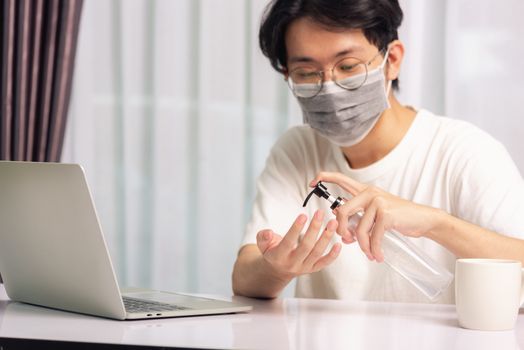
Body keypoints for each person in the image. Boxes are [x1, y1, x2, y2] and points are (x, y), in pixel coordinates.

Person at [232, 0, 524, 303]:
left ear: (392, 59)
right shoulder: (298, 150)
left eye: (347, 66)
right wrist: (276, 268)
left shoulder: (464, 152)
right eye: (306, 73)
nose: (329, 87)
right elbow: (244, 278)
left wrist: (436, 224)